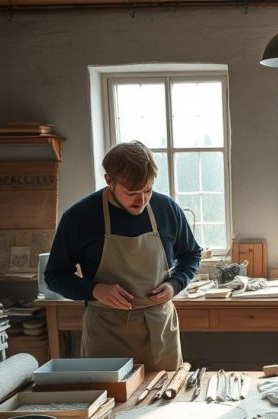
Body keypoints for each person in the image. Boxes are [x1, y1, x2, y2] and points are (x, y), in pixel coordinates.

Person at [45, 140, 201, 371]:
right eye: (131, 193)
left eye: (147, 190)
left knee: (163, 400)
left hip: (159, 330)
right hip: (106, 333)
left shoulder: (167, 209)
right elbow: (55, 275)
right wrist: (94, 290)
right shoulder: (80, 217)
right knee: (110, 404)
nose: (141, 201)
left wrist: (175, 284)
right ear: (109, 181)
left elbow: (191, 255)